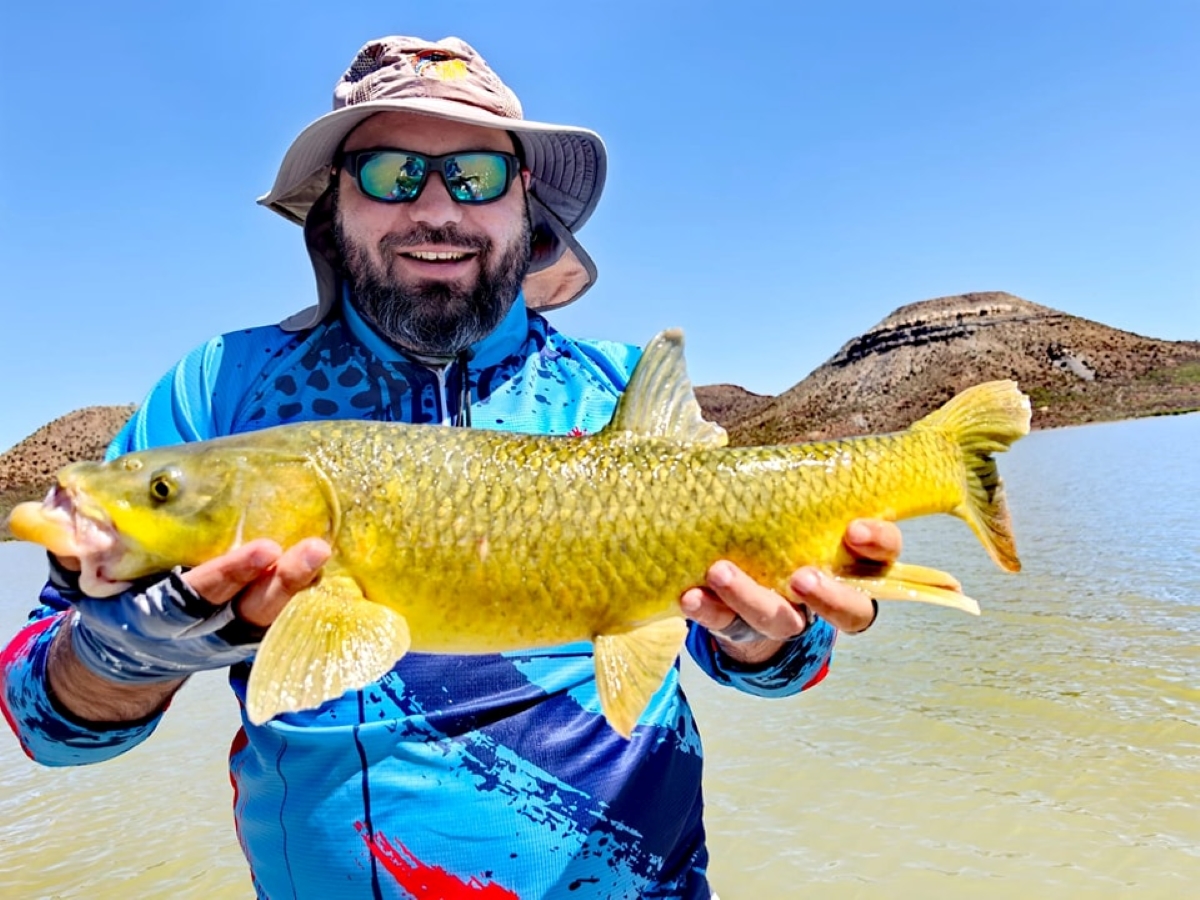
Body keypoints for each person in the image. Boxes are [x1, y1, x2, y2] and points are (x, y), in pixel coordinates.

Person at [1, 34, 897, 900]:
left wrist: (768, 634)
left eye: (477, 174)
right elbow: (48, 725)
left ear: (525, 201)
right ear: (335, 201)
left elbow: (767, 667)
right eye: (391, 172)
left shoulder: (621, 393)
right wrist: (122, 654)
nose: (437, 208)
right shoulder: (218, 393)